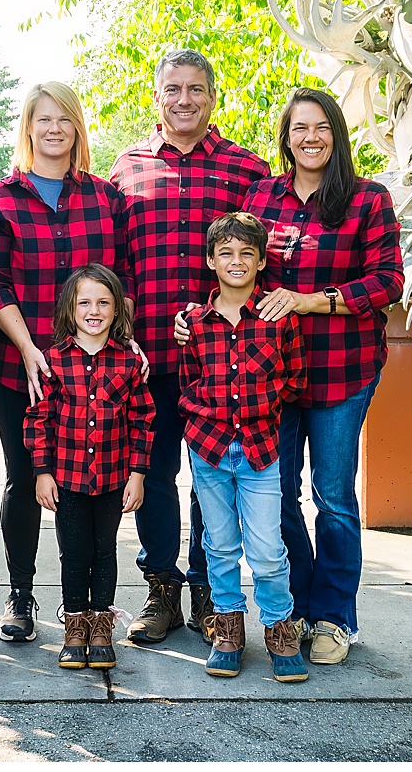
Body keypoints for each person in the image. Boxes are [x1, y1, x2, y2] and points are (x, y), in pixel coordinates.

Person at [233, 87, 404, 666]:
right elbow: (243, 275)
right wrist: (200, 320)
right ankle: (299, 604)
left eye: (321, 127)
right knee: (276, 494)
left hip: (342, 371)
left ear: (337, 133)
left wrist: (313, 301)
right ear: (285, 137)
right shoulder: (261, 198)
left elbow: (387, 282)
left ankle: (335, 616)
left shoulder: (368, 200)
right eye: (299, 128)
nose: (310, 137)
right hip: (272, 375)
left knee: (333, 498)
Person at [108, 48, 269, 644]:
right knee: (152, 471)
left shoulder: (245, 171)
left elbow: (260, 262)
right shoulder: (126, 169)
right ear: (157, 95)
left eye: (196, 89)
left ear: (212, 96)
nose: (184, 100)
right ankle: (161, 589)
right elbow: (115, 263)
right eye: (173, 88)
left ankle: (209, 588)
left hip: (220, 363)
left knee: (212, 476)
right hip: (146, 356)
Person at [0, 81, 131, 644]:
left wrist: (125, 338)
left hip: (95, 371)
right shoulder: (0, 200)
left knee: (87, 485)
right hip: (21, 366)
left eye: (65, 118)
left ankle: (88, 605)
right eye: (44, 119)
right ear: (28, 128)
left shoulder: (104, 198)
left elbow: (123, 279)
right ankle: (21, 595)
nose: (55, 129)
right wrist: (26, 346)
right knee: (25, 479)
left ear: (77, 128)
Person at [177, 212, 310, 682]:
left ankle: (279, 628)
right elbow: (187, 380)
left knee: (268, 548)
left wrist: (263, 405)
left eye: (247, 254)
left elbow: (294, 380)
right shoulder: (194, 321)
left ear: (260, 261)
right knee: (220, 544)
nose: (237, 262)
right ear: (211, 261)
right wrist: (203, 418)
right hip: (209, 449)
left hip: (260, 450)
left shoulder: (278, 318)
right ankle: (228, 629)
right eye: (226, 254)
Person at [24, 264, 154, 671]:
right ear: (69, 309)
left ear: (117, 310)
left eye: (104, 302)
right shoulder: (52, 361)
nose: (94, 310)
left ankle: (101, 624)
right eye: (85, 302)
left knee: (105, 549)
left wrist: (138, 474)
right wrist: (42, 471)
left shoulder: (130, 365)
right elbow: (38, 418)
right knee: (75, 551)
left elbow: (144, 420)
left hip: (115, 478)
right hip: (68, 478)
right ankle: (75, 625)